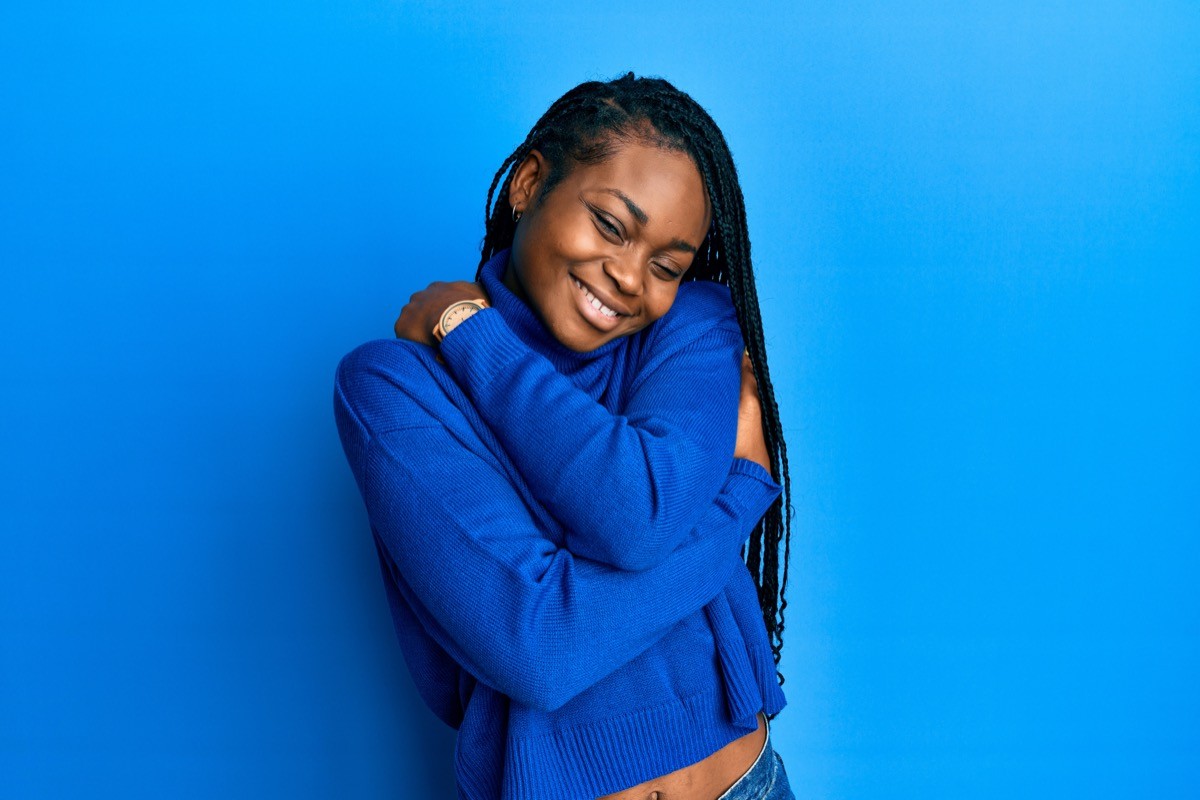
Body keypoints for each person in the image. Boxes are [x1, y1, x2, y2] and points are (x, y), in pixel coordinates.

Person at [333, 72, 796, 799]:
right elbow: (541, 646)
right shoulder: (395, 391)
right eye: (611, 225)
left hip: (750, 784)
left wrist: (472, 334)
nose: (629, 277)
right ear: (528, 185)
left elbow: (637, 512)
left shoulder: (692, 326)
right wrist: (735, 501)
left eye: (666, 265)